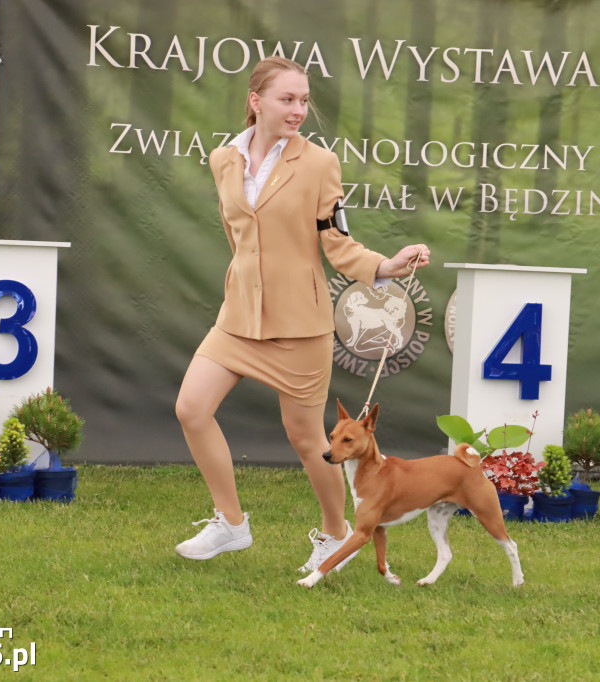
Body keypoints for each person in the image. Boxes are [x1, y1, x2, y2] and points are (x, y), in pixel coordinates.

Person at [174, 57, 430, 572]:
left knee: (309, 438)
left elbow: (335, 241)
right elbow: (240, 237)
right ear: (256, 101)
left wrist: (386, 266)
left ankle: (336, 534)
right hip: (238, 316)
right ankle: (231, 524)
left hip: (300, 324)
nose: (298, 110)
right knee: (191, 409)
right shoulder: (223, 158)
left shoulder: (319, 164)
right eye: (287, 99)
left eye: (304, 100)